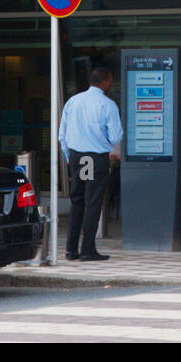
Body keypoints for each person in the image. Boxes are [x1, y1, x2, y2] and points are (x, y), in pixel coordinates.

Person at [59, 67, 123, 261]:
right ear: (103, 82)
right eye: (110, 81)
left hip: (78, 157)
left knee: (77, 201)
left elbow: (62, 135)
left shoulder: (73, 101)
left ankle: (71, 249)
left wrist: (71, 158)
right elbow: (116, 136)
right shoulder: (108, 104)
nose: (111, 84)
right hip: (95, 159)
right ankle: (88, 249)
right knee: (93, 202)